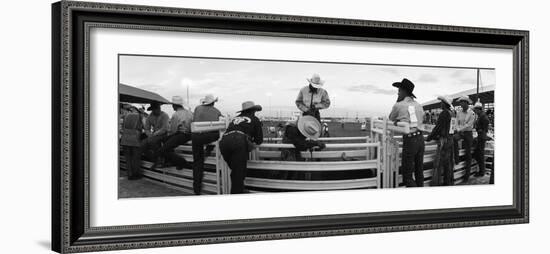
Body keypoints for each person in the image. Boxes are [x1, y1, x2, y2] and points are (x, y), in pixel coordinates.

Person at [219, 101, 264, 194]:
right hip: (238, 141)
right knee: (238, 173)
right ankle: (237, 196)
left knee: (235, 171)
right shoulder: (255, 119)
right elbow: (259, 140)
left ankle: (239, 190)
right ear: (253, 110)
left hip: (224, 141)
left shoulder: (235, 118)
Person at [388, 78, 425, 187]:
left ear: (404, 91)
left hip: (410, 140)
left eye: (399, 90)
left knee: (407, 175)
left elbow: (391, 118)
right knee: (419, 170)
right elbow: (420, 119)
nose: (398, 92)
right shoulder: (419, 105)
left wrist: (398, 101)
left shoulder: (399, 105)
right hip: (420, 139)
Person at [191, 94, 222, 194]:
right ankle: (208, 149)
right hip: (209, 136)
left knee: (197, 162)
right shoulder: (217, 111)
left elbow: (194, 120)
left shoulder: (197, 108)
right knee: (217, 134)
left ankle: (196, 188)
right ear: (213, 102)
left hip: (196, 136)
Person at [159, 96, 193, 170]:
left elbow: (173, 130)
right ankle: (174, 162)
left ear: (175, 105)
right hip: (190, 134)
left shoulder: (176, 114)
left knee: (163, 149)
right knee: (165, 141)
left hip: (182, 134)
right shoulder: (190, 112)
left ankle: (182, 162)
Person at [426, 96, 454, 186]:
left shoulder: (444, 113)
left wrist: (429, 137)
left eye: (441, 102)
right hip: (450, 139)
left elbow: (438, 128)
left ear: (444, 104)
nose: (440, 104)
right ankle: (448, 182)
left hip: (443, 141)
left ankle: (436, 184)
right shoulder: (453, 113)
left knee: (438, 164)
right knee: (448, 164)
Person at [453, 95, 475, 182]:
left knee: (468, 153)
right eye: (460, 102)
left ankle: (467, 175)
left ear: (466, 103)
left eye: (462, 102)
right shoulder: (459, 112)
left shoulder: (471, 113)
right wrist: (457, 128)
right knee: (454, 139)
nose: (460, 104)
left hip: (468, 133)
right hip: (461, 132)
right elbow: (456, 122)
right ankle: (457, 157)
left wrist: (459, 129)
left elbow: (469, 125)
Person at [120, 107, 144, 180]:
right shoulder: (138, 116)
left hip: (125, 139)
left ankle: (130, 175)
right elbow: (140, 127)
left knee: (128, 159)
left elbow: (123, 127)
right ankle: (136, 174)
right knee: (135, 158)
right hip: (134, 139)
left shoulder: (126, 116)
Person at [473, 102, 490, 178]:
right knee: (478, 153)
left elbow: (486, 124)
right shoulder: (481, 115)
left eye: (475, 110)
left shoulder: (483, 116)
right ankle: (481, 170)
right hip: (481, 136)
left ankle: (481, 172)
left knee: (480, 154)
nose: (475, 111)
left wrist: (481, 130)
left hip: (481, 136)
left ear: (478, 109)